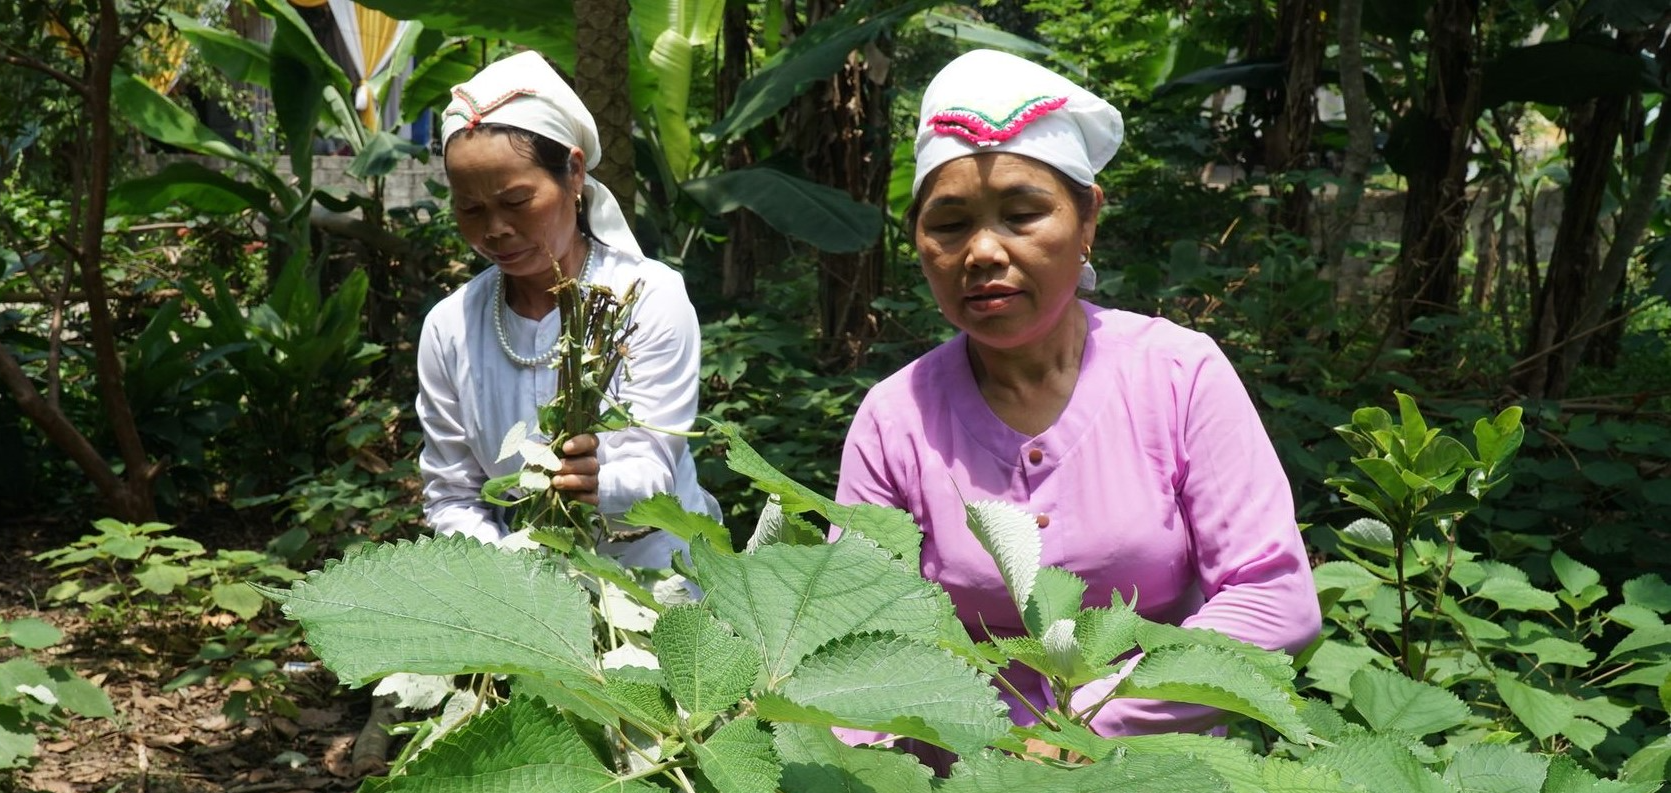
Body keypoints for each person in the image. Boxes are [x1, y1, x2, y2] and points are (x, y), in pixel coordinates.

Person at [837, 49, 1320, 741]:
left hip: (1153, 790)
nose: (981, 251)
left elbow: (1274, 599)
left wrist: (1093, 726)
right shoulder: (895, 419)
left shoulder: (1176, 375)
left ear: (1087, 219)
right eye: (949, 224)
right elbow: (856, 632)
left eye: (1023, 214)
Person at [416, 51, 720, 571]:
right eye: (470, 208)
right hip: (521, 599)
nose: (494, 230)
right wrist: (510, 577)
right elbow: (452, 495)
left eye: (515, 202)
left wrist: (598, 481)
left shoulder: (649, 297)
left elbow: (654, 465)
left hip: (659, 582)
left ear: (574, 174)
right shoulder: (449, 329)